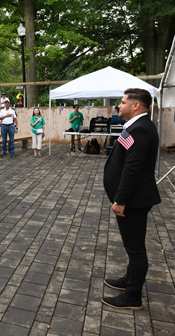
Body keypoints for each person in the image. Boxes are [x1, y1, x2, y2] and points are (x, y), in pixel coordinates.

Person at [102, 89, 161, 310]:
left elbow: (132, 168)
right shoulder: (135, 127)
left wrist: (120, 199)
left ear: (135, 105)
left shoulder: (141, 129)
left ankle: (132, 296)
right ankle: (130, 279)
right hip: (131, 198)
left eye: (123, 102)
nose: (119, 105)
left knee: (136, 249)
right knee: (132, 246)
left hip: (133, 200)